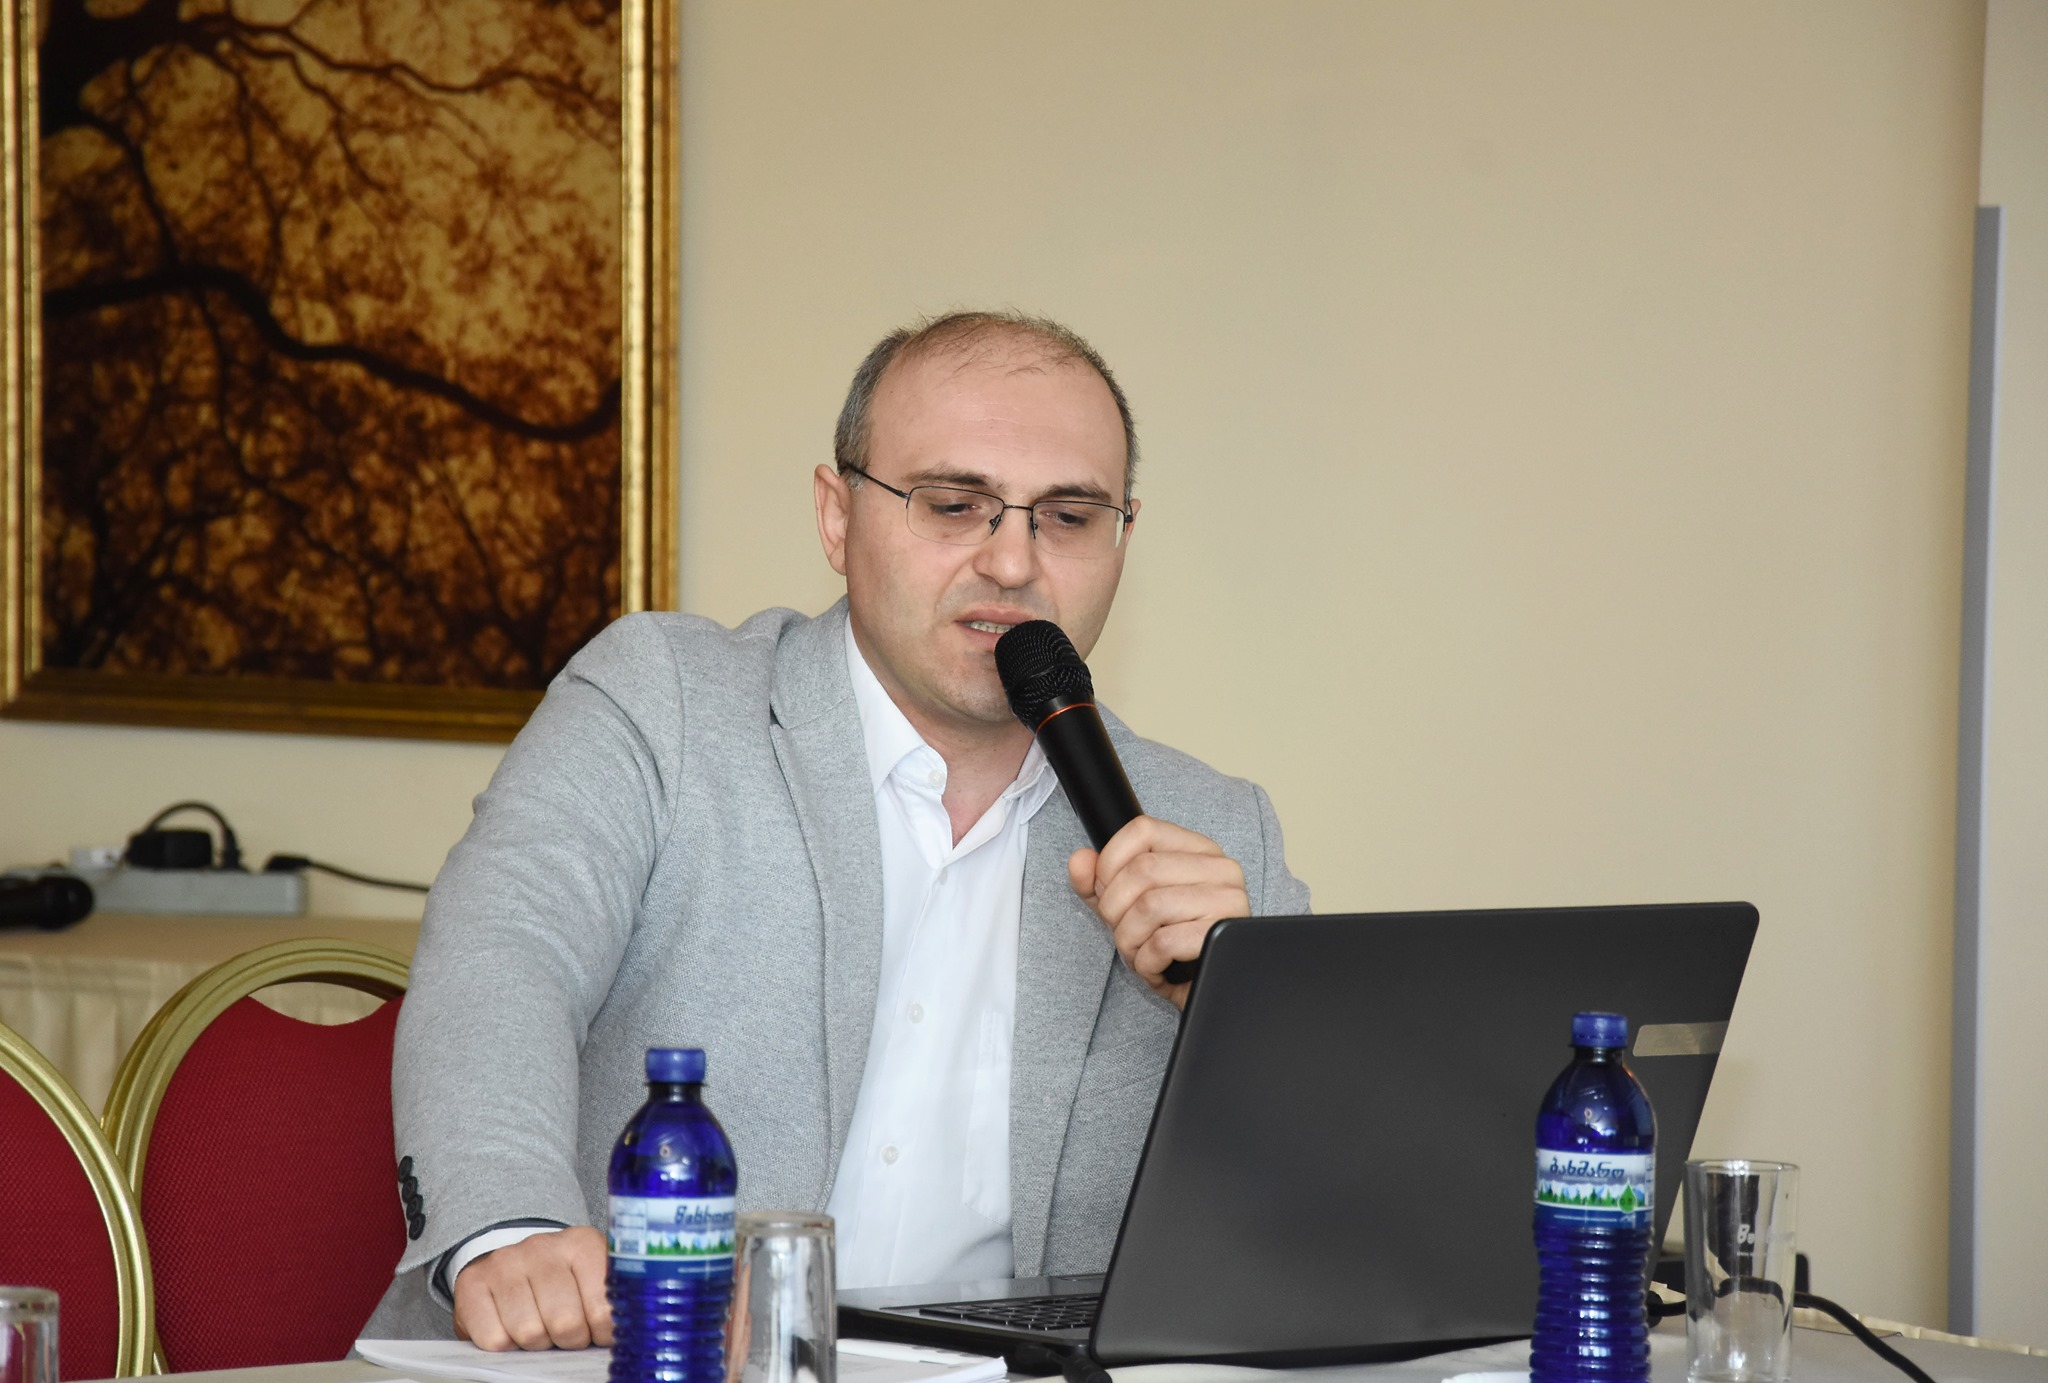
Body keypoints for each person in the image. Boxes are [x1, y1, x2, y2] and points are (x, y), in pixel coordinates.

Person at [363, 311, 1310, 1347]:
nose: (1012, 561)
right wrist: (514, 1230)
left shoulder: (1211, 832)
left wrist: (1230, 1010)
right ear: (835, 516)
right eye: (955, 505)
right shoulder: (663, 705)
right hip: (646, 1356)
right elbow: (503, 959)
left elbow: (1323, 1210)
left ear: (1123, 538)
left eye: (1069, 516)